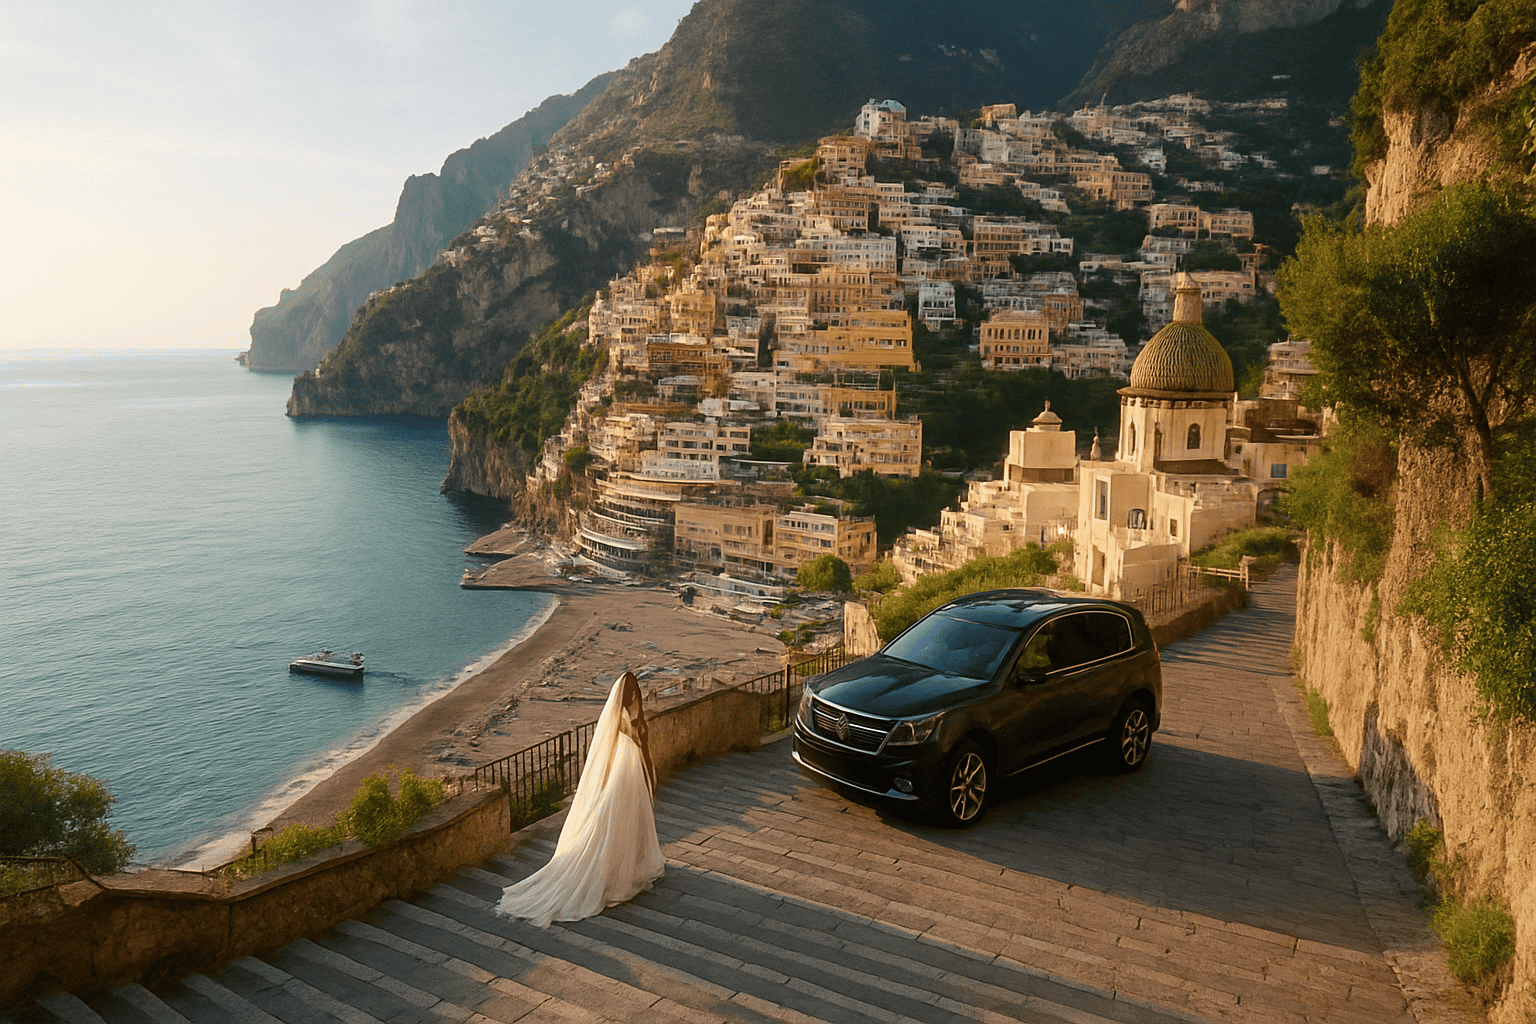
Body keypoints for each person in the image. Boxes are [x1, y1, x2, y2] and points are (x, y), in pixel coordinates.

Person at [494, 671, 664, 927]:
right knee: (619, 823)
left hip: (631, 774)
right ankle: (616, 873)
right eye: (629, 689)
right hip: (624, 776)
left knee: (633, 822)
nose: (632, 692)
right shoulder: (621, 718)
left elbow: (644, 746)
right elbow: (627, 749)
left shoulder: (630, 713)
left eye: (633, 688)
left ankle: (630, 865)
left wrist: (649, 771)